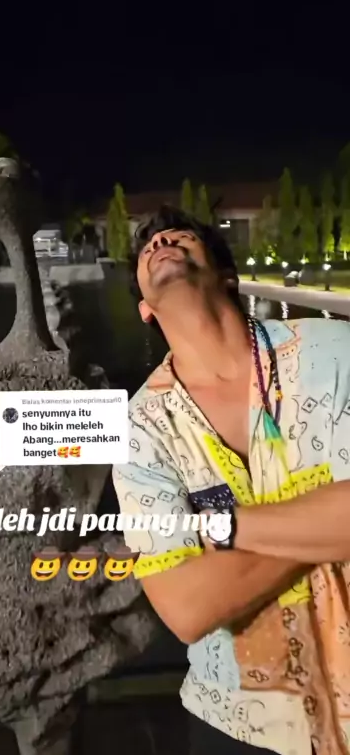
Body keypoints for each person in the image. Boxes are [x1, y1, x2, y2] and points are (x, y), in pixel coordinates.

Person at [112, 205, 350, 755]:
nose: (161, 242)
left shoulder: (333, 352)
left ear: (227, 276)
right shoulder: (140, 426)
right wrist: (325, 525)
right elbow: (185, 608)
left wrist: (220, 527)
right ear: (146, 308)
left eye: (180, 237)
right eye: (148, 247)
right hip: (236, 725)